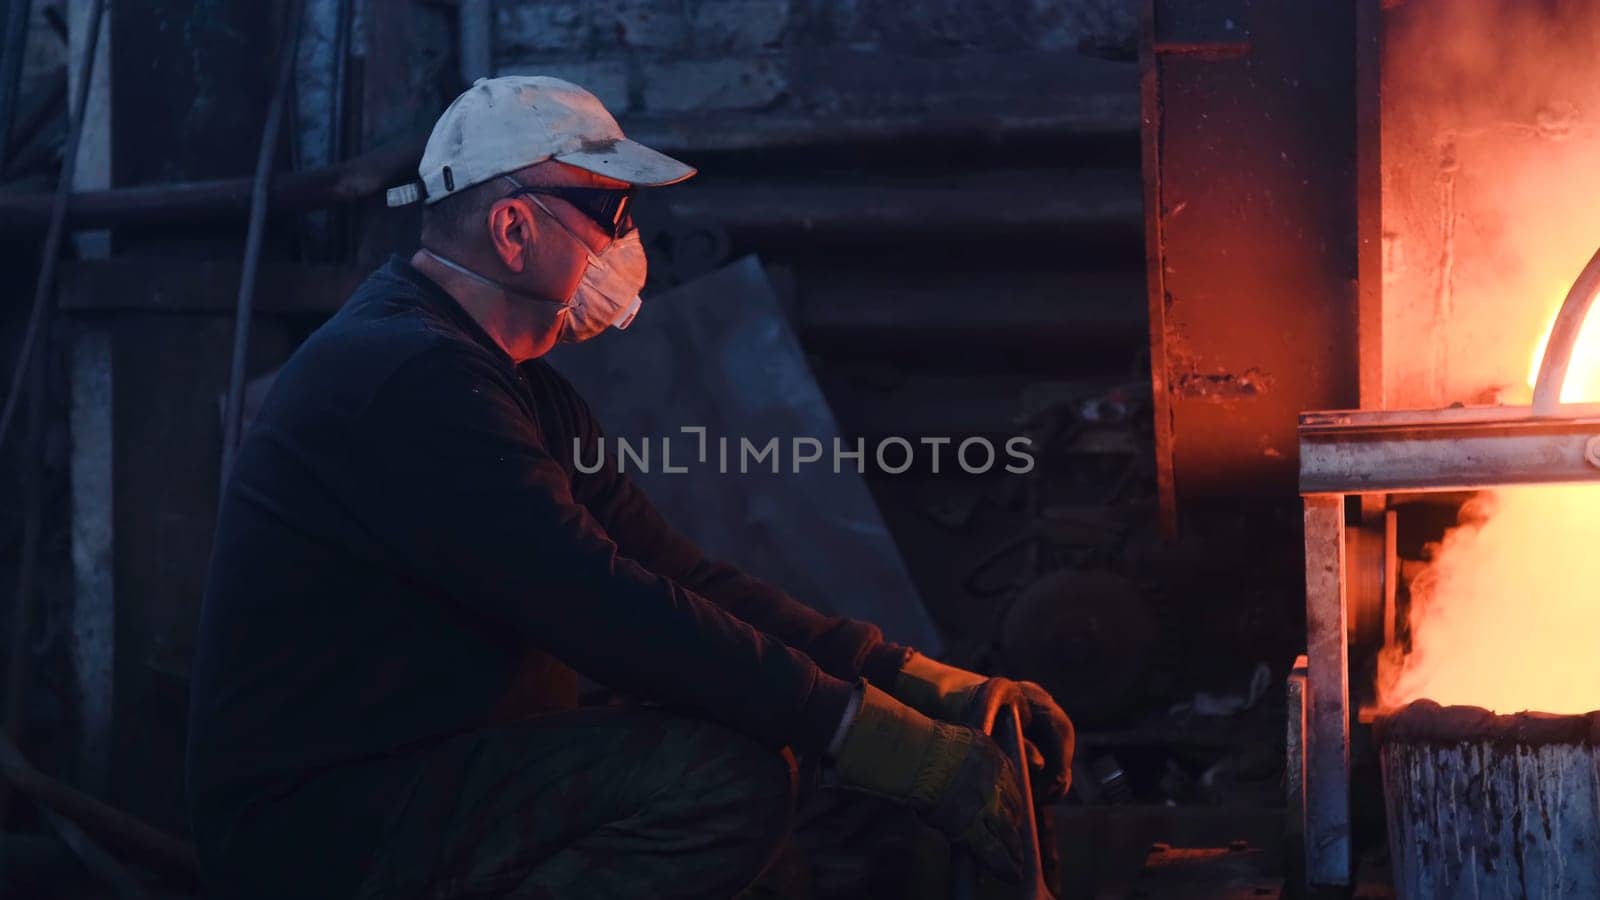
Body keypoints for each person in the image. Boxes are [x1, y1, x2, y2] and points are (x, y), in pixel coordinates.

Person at [186, 75, 1074, 900]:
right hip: (325, 823)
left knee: (746, 742)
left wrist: (911, 681)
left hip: (425, 766)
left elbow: (669, 572)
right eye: (608, 207)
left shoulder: (513, 384)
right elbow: (604, 607)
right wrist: (876, 741)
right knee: (722, 779)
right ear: (513, 229)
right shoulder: (409, 380)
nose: (624, 238)